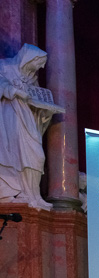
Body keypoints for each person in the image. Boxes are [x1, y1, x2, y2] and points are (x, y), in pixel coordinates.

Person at [0, 44, 61, 209]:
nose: (40, 67)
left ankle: (33, 194)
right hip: (8, 118)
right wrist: (13, 91)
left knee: (37, 155)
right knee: (10, 154)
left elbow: (35, 98)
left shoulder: (31, 77)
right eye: (39, 63)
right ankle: (16, 193)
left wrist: (45, 111)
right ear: (29, 59)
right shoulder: (4, 66)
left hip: (28, 118)